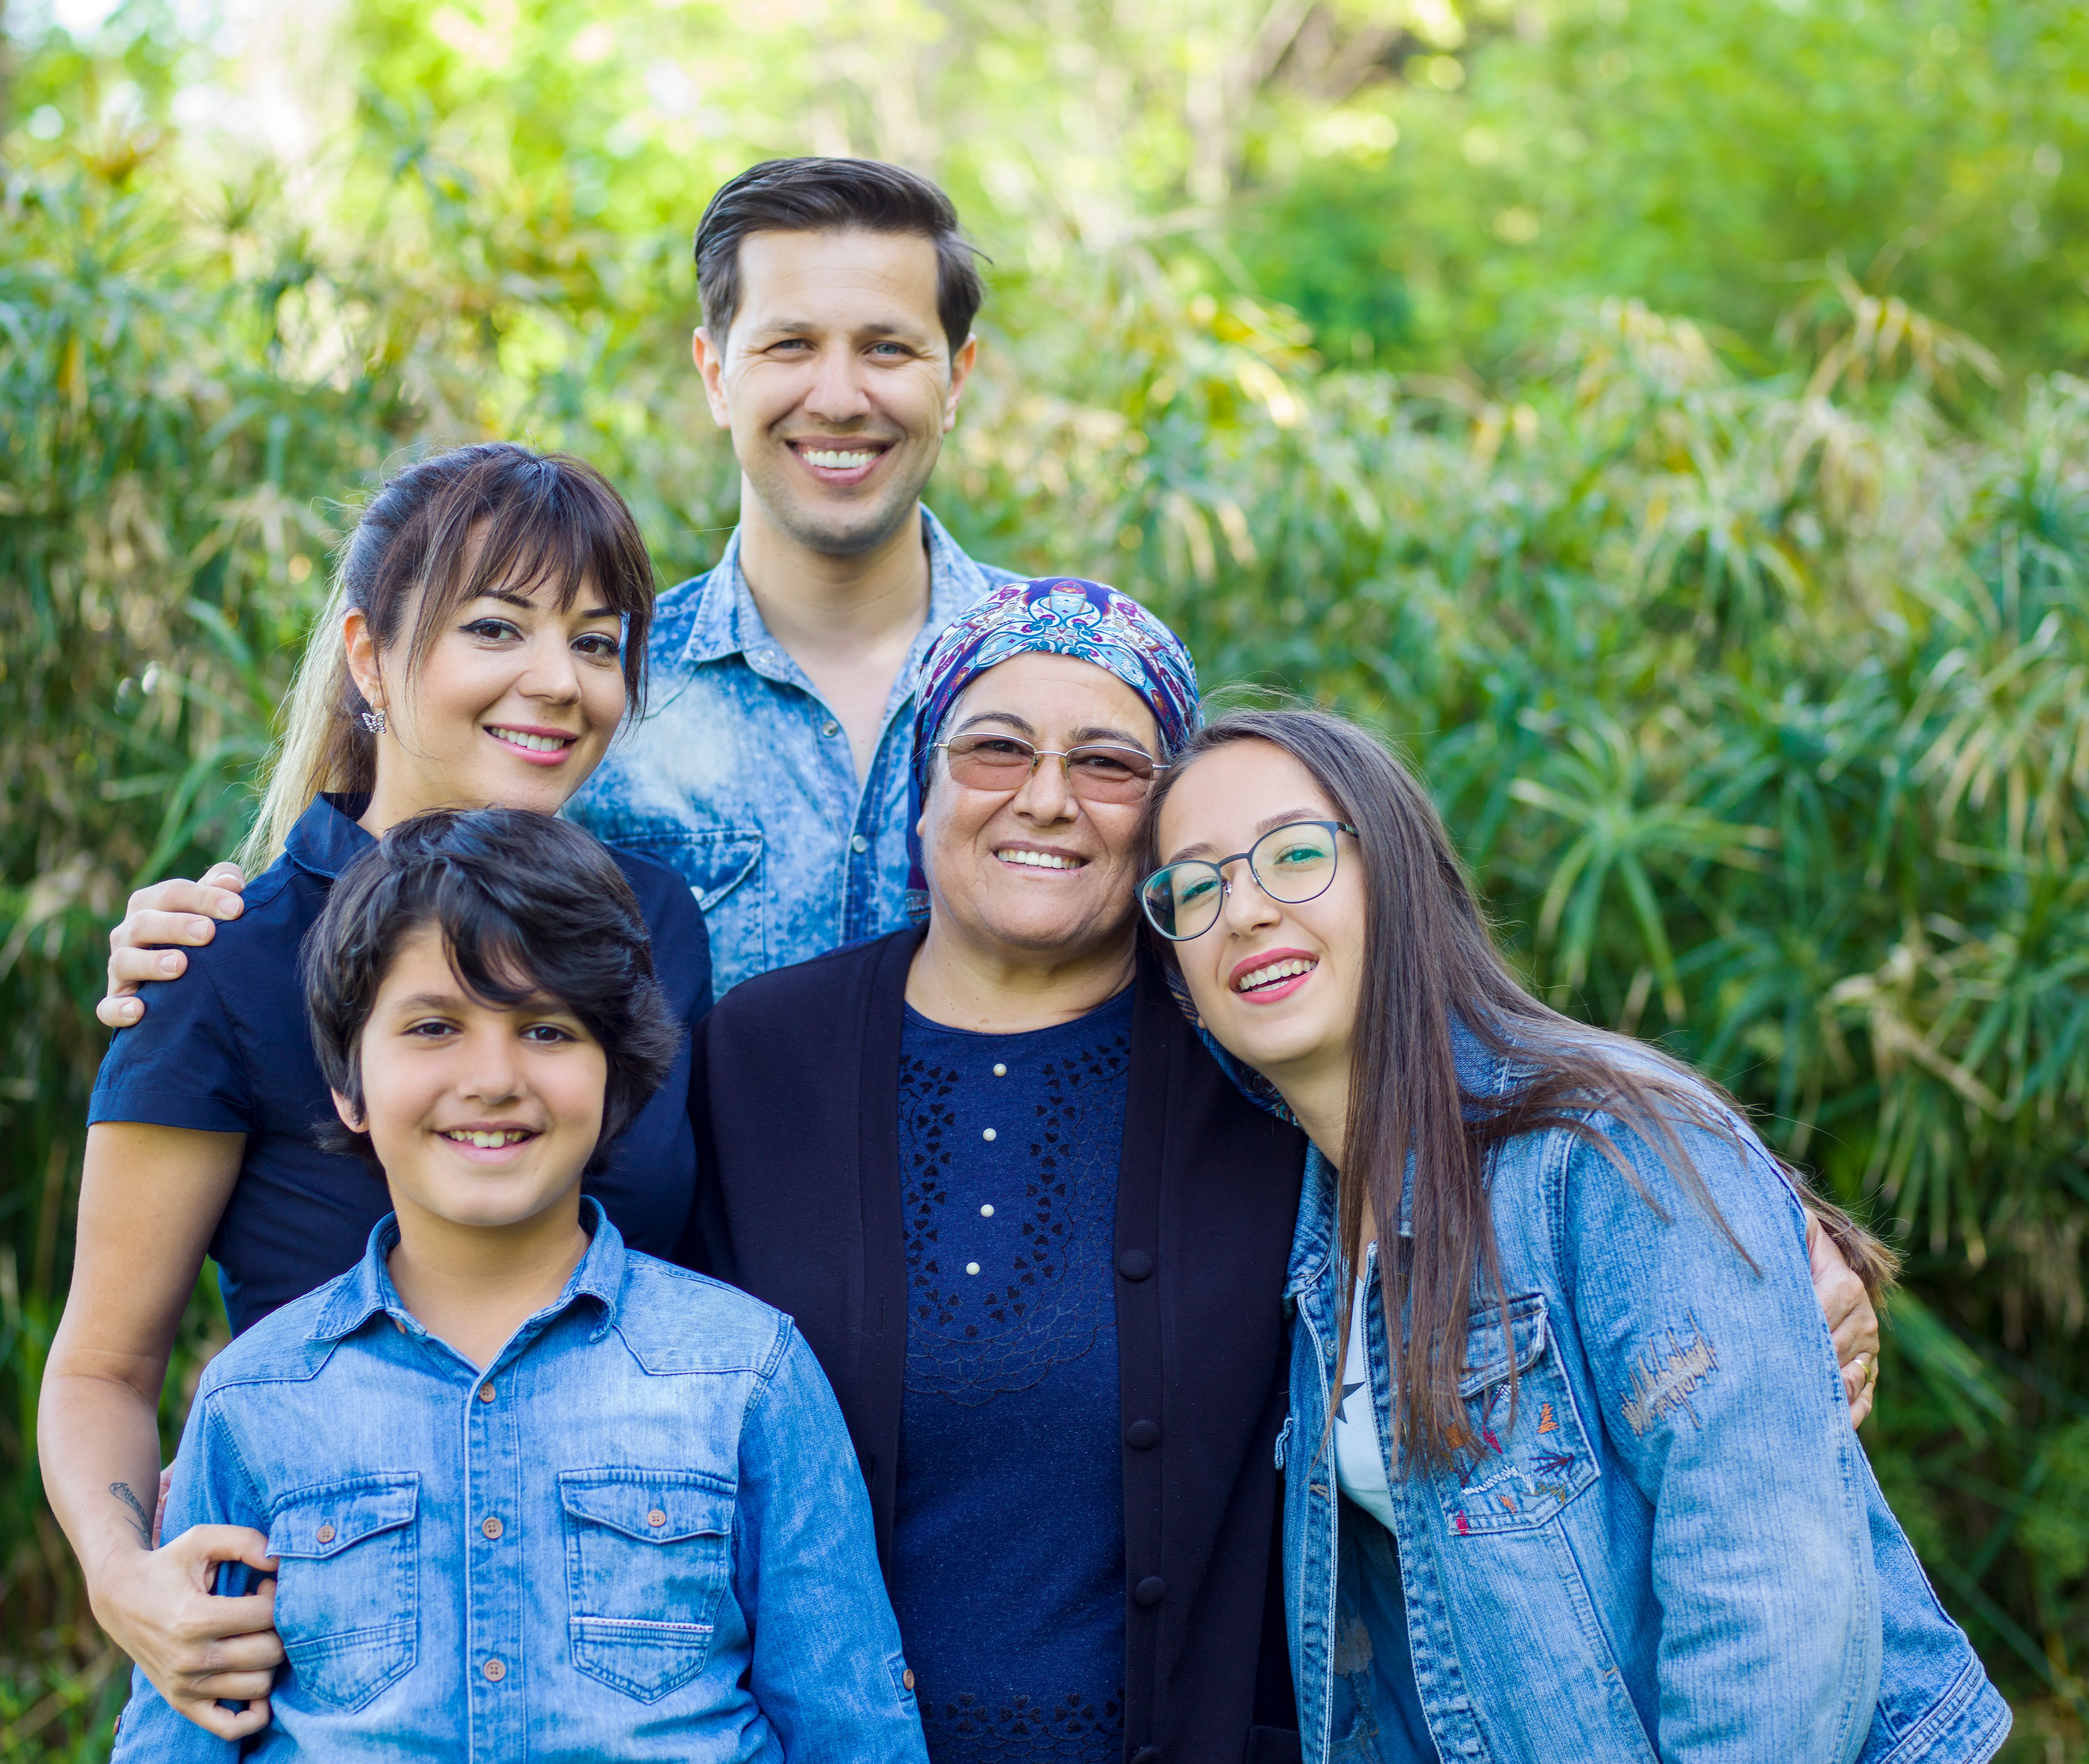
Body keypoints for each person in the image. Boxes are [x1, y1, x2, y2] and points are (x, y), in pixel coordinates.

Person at [685, 580, 1890, 1764]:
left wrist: (1783, 1246)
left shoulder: (1257, 1081)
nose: (1047, 797)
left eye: (1107, 765)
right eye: (995, 748)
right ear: (921, 786)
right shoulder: (754, 1054)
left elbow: (1530, 1130)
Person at [1139, 705, 2006, 1764]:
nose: (1244, 911)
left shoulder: (1598, 1150)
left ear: (1396, 876)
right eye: (1195, 887)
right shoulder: (1304, 1231)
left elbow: (1771, 1598)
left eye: (1294, 855)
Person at [41, 445, 712, 1738]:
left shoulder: (650, 925)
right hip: (325, 1661)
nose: (557, 683)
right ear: (367, 655)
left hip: (621, 1646)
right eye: (496, 628)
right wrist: (127, 1585)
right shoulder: (223, 960)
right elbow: (102, 1368)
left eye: (596, 641)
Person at [96, 155, 1018, 1008]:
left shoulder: (1070, 678)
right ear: (714, 374)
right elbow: (369, 906)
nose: (840, 395)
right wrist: (206, 959)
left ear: (956, 378)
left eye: (888, 349)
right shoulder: (579, 700)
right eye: (789, 346)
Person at [111, 807, 927, 1759]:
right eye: (432, 1027)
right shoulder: (256, 1400)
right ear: (348, 1084)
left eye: (547, 1030)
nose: (493, 1078)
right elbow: (180, 1738)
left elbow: (853, 1735)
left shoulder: (748, 1376)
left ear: (618, 1077)